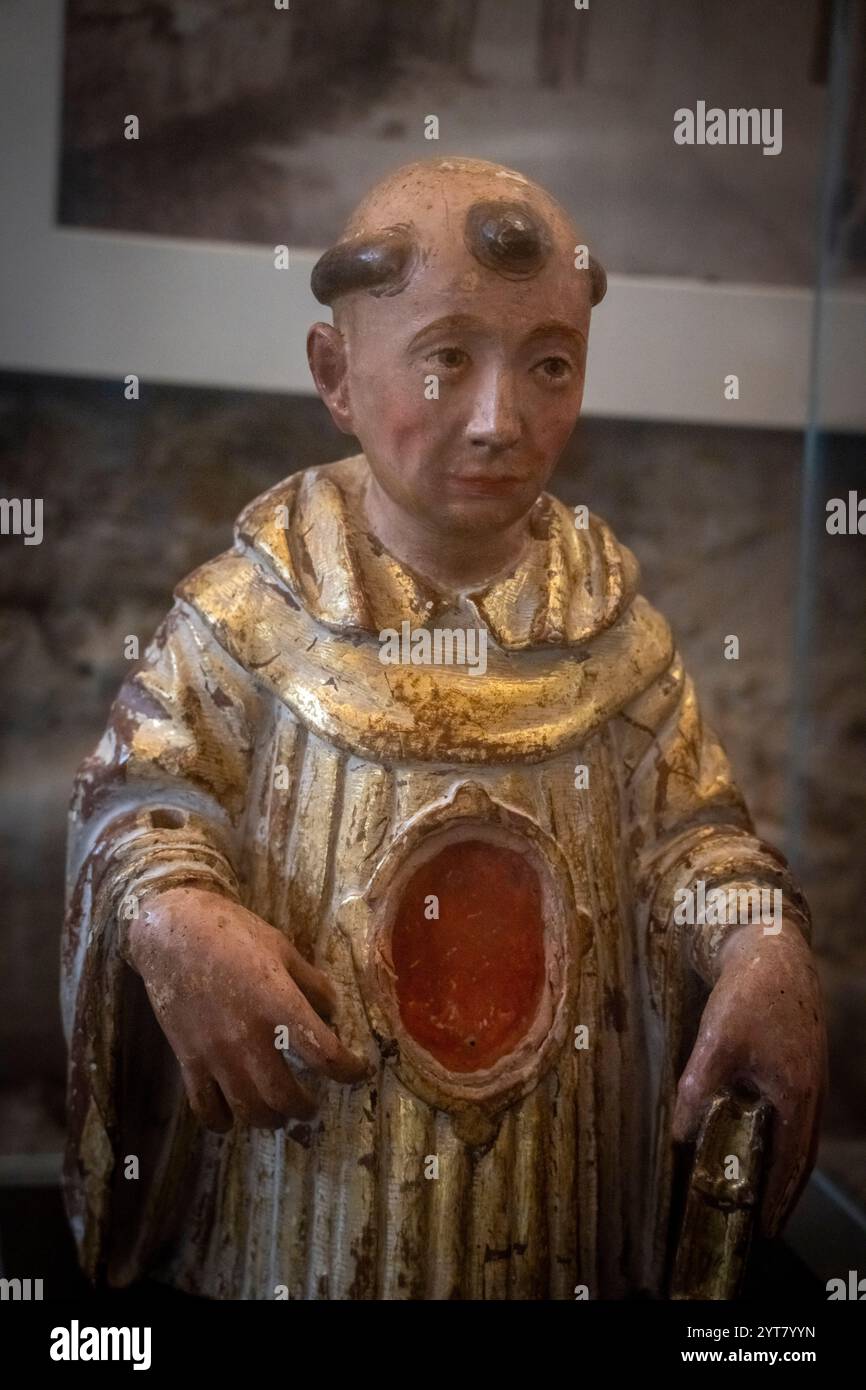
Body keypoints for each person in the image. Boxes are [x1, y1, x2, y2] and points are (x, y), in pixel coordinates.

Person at [62, 156, 825, 1299]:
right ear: (335, 373)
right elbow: (135, 806)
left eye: (548, 365)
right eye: (445, 359)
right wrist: (173, 916)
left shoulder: (611, 633)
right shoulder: (248, 618)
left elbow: (691, 844)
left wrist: (761, 942)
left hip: (558, 1190)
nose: (497, 420)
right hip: (304, 1188)